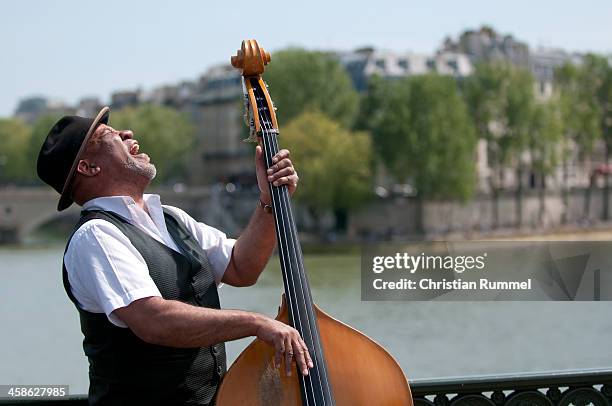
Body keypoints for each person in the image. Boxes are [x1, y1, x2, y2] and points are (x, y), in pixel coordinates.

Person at [37, 106, 313, 405]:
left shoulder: (172, 218)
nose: (126, 132)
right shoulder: (96, 237)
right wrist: (255, 323)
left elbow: (240, 267)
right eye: (110, 135)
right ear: (88, 168)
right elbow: (153, 319)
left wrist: (268, 202)